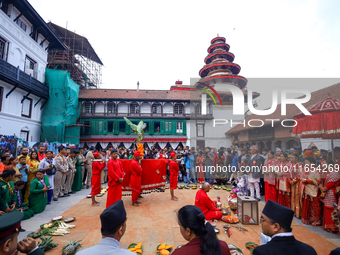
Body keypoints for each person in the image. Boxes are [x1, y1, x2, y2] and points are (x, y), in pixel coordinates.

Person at [253, 200, 317, 255]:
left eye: (263, 220)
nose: (261, 223)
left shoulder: (262, 252)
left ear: (276, 227)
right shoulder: (309, 251)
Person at [320, 159, 340, 232]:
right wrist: (321, 187)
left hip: (331, 192)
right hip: (326, 192)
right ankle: (327, 226)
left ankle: (333, 227)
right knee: (326, 208)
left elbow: (331, 183)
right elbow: (321, 181)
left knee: (331, 208)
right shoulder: (325, 172)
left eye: (324, 163)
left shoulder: (335, 172)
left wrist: (324, 188)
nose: (322, 165)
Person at [301, 157, 321, 226]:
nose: (305, 164)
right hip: (307, 189)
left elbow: (318, 181)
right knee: (308, 205)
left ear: (312, 163)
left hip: (314, 190)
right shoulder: (307, 169)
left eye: (307, 162)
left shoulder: (316, 170)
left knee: (315, 206)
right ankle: (309, 219)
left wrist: (306, 180)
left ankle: (316, 220)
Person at [289, 153, 304, 218]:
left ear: (297, 158)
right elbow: (289, 174)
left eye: (292, 158)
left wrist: (295, 180)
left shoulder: (301, 165)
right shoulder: (291, 164)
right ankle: (294, 212)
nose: (291, 159)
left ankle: (299, 213)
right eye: (291, 158)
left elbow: (301, 174)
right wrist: (290, 180)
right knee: (293, 197)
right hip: (292, 183)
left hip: (298, 183)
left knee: (298, 197)